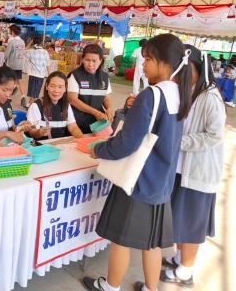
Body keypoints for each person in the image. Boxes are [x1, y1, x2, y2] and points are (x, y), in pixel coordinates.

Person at [82, 33, 193, 291]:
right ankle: (151, 288)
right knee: (151, 241)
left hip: (138, 179)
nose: (142, 65)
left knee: (120, 238)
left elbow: (127, 143)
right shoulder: (179, 94)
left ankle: (110, 286)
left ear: (163, 62)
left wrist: (99, 150)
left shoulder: (152, 95)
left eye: (148, 59)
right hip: (161, 181)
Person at [160, 46, 225, 288]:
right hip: (181, 168)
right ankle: (179, 258)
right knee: (181, 219)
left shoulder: (210, 97)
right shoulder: (190, 92)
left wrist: (179, 142)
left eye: (185, 70)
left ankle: (186, 272)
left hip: (198, 173)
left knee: (191, 224)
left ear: (198, 69)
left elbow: (214, 135)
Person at [68, 44, 113, 134]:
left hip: (97, 123)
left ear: (100, 61)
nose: (90, 64)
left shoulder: (104, 77)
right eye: (87, 60)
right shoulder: (75, 75)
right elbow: (73, 100)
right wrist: (96, 113)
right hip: (77, 124)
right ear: (82, 59)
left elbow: (107, 97)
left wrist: (109, 108)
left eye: (94, 61)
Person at [26, 71, 83, 141]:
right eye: (53, 86)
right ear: (46, 86)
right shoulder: (35, 106)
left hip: (60, 145)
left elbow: (73, 128)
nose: (56, 90)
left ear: (65, 88)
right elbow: (32, 132)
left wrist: (82, 139)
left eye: (60, 87)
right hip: (41, 148)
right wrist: (40, 132)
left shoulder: (66, 105)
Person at [4, 25, 27, 107]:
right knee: (19, 80)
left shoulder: (11, 41)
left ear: (13, 32)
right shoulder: (22, 42)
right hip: (20, 65)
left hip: (12, 64)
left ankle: (8, 96)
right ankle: (23, 96)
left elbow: (7, 54)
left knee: (9, 80)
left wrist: (5, 58)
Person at [25, 35, 51, 105]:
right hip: (40, 76)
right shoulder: (45, 52)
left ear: (33, 42)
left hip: (32, 74)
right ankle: (31, 105)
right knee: (35, 93)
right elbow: (48, 64)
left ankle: (29, 104)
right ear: (41, 43)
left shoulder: (31, 51)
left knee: (32, 92)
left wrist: (30, 43)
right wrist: (50, 75)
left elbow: (24, 51)